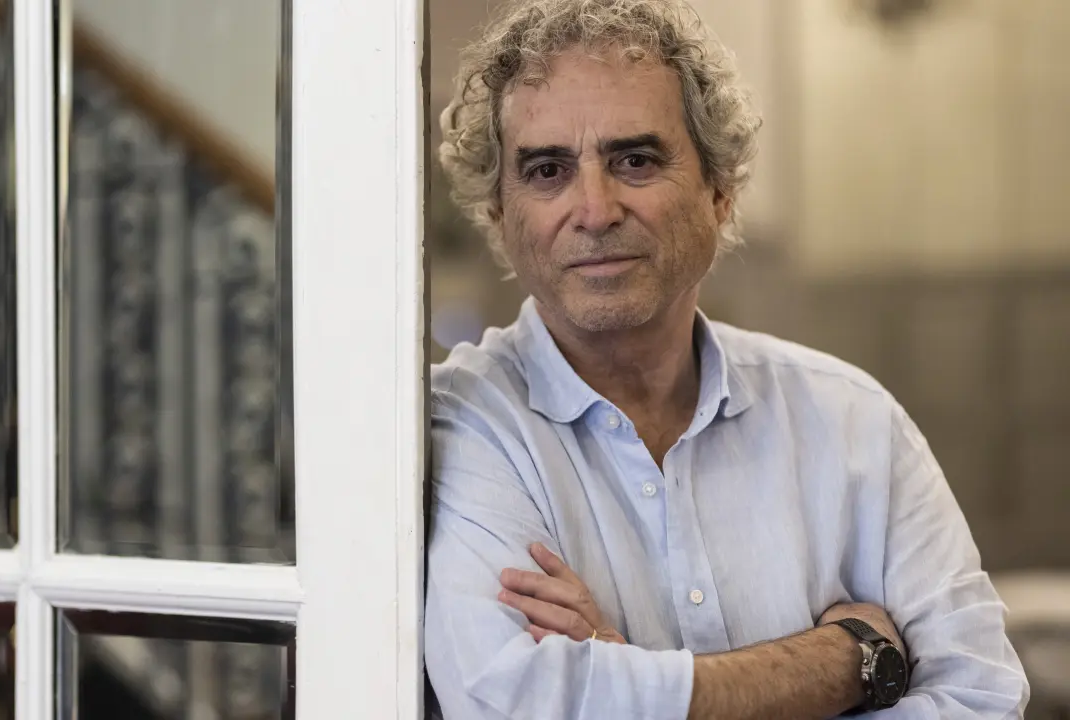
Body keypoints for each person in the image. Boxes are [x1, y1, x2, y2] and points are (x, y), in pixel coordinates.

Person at [424, 0, 1030, 717]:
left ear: (720, 190)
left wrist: (632, 686)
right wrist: (847, 662)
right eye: (548, 170)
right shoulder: (456, 427)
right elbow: (518, 703)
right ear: (500, 215)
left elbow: (984, 700)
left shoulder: (854, 422)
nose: (594, 209)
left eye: (635, 160)